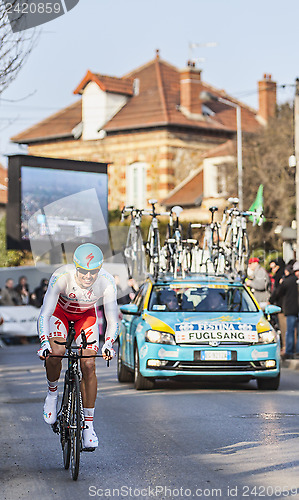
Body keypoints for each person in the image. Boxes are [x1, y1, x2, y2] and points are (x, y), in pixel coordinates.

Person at [37, 243, 119, 449]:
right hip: (60, 314)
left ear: (99, 270)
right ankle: (52, 394)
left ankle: (88, 427)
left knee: (89, 365)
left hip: (86, 317)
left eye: (93, 272)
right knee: (56, 353)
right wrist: (44, 341)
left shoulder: (107, 282)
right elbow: (45, 314)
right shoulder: (61, 276)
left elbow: (112, 319)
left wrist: (108, 343)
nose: (88, 276)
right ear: (75, 267)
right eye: (83, 271)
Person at [270, 263, 298, 359]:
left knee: (289, 331)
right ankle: (296, 351)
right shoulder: (294, 281)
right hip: (294, 308)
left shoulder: (287, 281)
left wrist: (270, 301)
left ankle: (289, 351)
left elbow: (278, 292)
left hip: (290, 309)